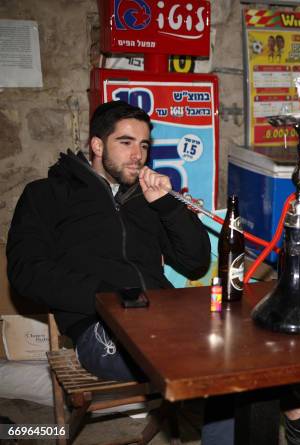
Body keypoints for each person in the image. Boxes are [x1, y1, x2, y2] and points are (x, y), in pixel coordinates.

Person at [7, 100, 231, 442]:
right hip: (100, 325)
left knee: (236, 349)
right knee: (206, 359)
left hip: (166, 315)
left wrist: (167, 206)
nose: (137, 155)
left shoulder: (147, 197)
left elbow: (196, 261)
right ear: (97, 145)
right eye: (125, 142)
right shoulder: (48, 194)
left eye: (143, 145)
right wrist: (106, 297)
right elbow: (26, 272)